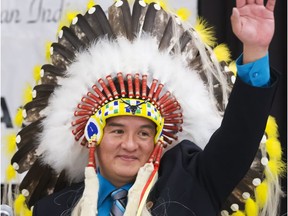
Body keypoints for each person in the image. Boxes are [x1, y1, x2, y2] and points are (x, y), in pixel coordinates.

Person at [10, 0, 283, 215]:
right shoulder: (53, 210)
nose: (130, 145)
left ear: (158, 141)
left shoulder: (194, 183)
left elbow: (239, 138)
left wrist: (255, 49)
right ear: (94, 136)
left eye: (143, 133)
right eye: (117, 131)